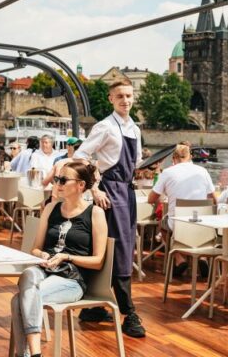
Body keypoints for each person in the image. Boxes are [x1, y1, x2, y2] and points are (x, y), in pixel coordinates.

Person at [10, 161, 108, 357]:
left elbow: (98, 261)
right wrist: (43, 254)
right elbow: (35, 249)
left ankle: (29, 355)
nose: (58, 184)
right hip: (45, 269)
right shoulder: (51, 208)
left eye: (63, 180)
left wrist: (67, 256)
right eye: (57, 179)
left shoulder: (95, 213)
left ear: (81, 185)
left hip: (71, 279)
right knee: (28, 274)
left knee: (18, 300)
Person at [73, 79, 146, 337]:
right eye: (120, 96)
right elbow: (80, 156)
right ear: (111, 99)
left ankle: (92, 305)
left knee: (113, 248)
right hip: (110, 193)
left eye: (128, 95)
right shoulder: (105, 126)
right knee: (119, 251)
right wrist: (94, 188)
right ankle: (128, 312)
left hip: (127, 192)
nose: (125, 100)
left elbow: (133, 163)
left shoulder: (135, 129)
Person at [148, 144, 217, 276]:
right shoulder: (202, 171)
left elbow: (151, 199)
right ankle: (202, 257)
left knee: (162, 227)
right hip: (201, 223)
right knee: (197, 228)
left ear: (174, 158)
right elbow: (214, 199)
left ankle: (179, 259)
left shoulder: (168, 172)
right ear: (190, 156)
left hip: (177, 224)